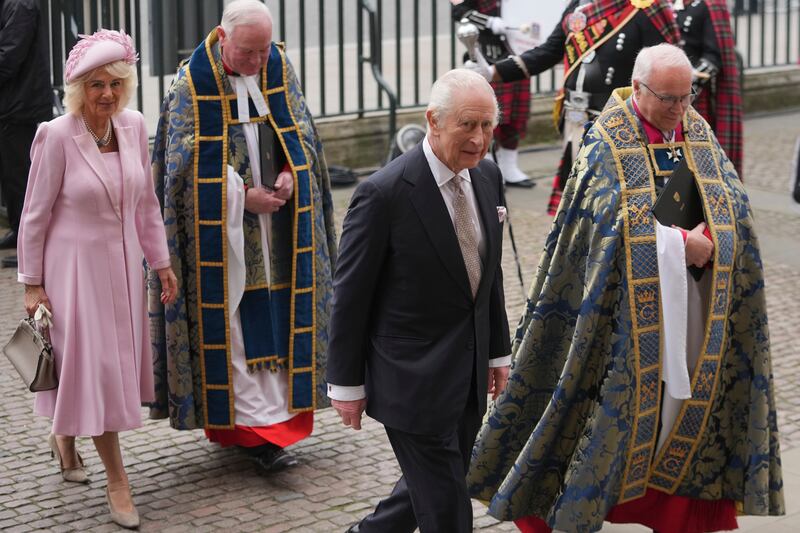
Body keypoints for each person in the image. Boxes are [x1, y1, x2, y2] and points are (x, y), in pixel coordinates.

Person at [467, 44, 785, 533]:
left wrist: (719, 234)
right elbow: (602, 225)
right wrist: (679, 245)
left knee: (681, 416)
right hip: (619, 320)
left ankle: (677, 512)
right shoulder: (605, 141)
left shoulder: (696, 129)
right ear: (638, 88)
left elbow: (733, 202)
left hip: (694, 309)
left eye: (687, 96)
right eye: (669, 98)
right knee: (607, 418)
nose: (680, 108)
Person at [148, 0, 337, 473]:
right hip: (228, 237)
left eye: (263, 50)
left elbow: (303, 137)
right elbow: (180, 170)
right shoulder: (191, 84)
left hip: (282, 230)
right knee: (233, 325)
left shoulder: (278, 67)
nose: (257, 61)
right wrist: (239, 197)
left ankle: (282, 424)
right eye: (248, 52)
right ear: (222, 36)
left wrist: (293, 174)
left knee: (284, 309)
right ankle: (254, 436)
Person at [327, 68, 512, 533]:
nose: (479, 139)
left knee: (428, 486)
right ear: (433, 120)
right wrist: (345, 385)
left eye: (487, 125)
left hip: (468, 376)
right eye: (467, 125)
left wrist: (497, 352)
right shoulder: (382, 194)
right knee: (447, 509)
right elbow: (349, 297)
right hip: (409, 380)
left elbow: (487, 276)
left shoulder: (488, 176)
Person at [17, 29, 178, 529]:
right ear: (78, 89)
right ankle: (117, 481)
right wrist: (32, 283)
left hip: (124, 270)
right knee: (97, 371)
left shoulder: (132, 125)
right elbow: (34, 214)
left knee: (94, 369)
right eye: (96, 85)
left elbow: (146, 204)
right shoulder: (56, 135)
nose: (107, 94)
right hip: (74, 273)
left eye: (116, 83)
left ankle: (64, 439)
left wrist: (162, 261)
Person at [467, 0, 679, 215]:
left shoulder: (645, 6)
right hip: (575, 119)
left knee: (614, 205)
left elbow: (662, 73)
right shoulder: (579, 5)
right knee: (578, 204)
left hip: (619, 123)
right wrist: (493, 72)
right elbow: (550, 51)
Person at [451, 0, 535, 187]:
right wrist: (487, 22)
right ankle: (486, 169)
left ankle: (509, 167)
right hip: (487, 57)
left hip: (519, 52)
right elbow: (458, 10)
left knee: (516, 116)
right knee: (488, 118)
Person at [0, 0, 53, 268]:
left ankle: (28, 249)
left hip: (21, 106)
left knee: (21, 176)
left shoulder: (20, 4)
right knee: (12, 176)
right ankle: (18, 230)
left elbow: (9, 56)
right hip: (13, 104)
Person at [673, 0, 744, 178]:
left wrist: (685, 88)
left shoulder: (711, 5)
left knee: (698, 160)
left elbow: (714, 56)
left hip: (695, 98)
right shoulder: (668, 5)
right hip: (662, 94)